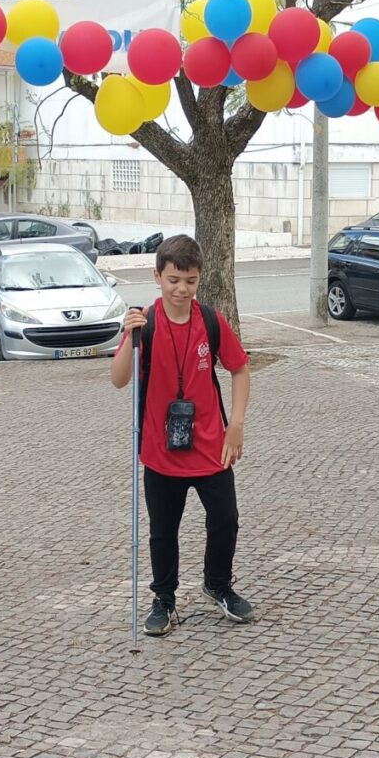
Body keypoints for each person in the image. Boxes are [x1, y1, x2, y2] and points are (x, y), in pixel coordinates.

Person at [111, 234, 252, 637]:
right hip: (160, 449)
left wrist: (235, 424)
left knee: (226, 519)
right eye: (173, 280)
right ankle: (164, 599)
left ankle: (218, 584)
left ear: (199, 279)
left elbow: (240, 369)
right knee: (163, 531)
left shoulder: (210, 321)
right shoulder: (145, 324)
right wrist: (129, 337)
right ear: (157, 276)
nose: (182, 289)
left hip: (210, 445)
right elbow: (118, 380)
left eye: (190, 281)